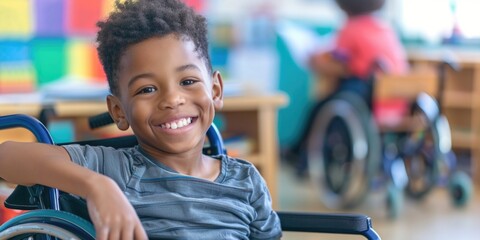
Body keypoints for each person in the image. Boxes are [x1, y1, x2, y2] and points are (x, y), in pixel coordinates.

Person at [0, 0, 282, 239]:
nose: (172, 99)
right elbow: (5, 155)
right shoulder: (114, 171)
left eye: (188, 80)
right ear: (118, 111)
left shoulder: (247, 182)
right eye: (147, 89)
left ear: (216, 90)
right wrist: (96, 186)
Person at [286, 0, 409, 176]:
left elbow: (336, 57)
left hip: (368, 99)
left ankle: (297, 152)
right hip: (397, 102)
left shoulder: (351, 29)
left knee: (320, 107)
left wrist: (316, 59)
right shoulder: (386, 29)